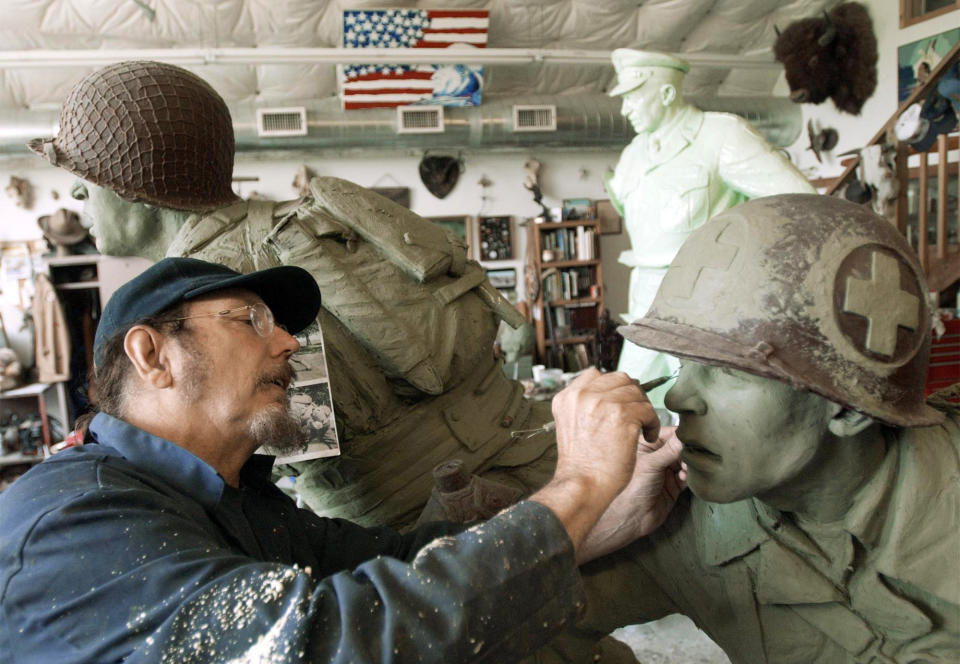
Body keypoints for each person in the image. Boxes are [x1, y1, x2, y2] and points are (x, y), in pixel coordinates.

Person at [0, 257, 685, 663]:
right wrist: (580, 482)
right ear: (152, 356)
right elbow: (320, 640)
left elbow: (411, 559)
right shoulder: (74, 519)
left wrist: (612, 514)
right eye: (249, 321)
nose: (289, 346)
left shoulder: (240, 502)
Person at [29, 59, 560, 532]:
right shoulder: (304, 224)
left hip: (415, 535)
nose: (77, 193)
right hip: (526, 452)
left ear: (133, 185)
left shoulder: (197, 304)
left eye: (87, 175)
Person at [548, 194, 960, 663]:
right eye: (683, 362)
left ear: (847, 409)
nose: (678, 398)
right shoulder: (675, 520)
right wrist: (590, 522)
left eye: (729, 370)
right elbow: (512, 632)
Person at [604, 49, 815, 408]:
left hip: (706, 299)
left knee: (709, 407)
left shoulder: (720, 135)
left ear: (667, 94)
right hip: (645, 297)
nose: (625, 109)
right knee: (634, 401)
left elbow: (801, 201)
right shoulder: (634, 154)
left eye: (633, 97)